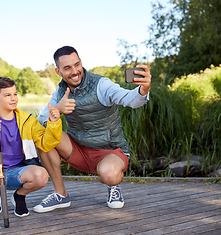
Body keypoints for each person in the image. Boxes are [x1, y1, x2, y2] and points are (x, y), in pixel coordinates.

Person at [33, 46, 151, 213]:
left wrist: (143, 90)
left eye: (77, 64)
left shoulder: (102, 85)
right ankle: (61, 195)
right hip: (78, 150)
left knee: (109, 174)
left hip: (109, 151)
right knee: (43, 136)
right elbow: (40, 122)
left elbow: (130, 99)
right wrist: (56, 110)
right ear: (58, 72)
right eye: (67, 68)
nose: (74, 71)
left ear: (81, 63)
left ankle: (113, 187)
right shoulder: (59, 93)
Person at [0, 77, 62, 217]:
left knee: (41, 176)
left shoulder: (28, 120)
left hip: (19, 172)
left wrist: (53, 122)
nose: (13, 98)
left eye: (15, 94)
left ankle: (19, 196)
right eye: (7, 95)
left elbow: (46, 143)